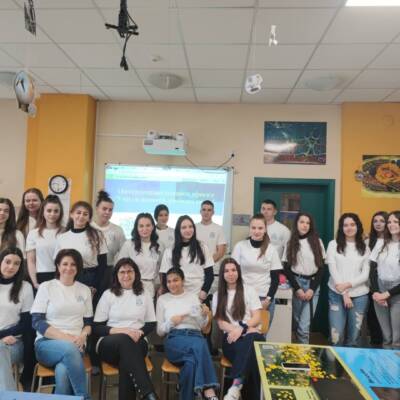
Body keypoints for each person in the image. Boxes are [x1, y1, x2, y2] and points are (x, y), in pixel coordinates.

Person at [31, 249, 93, 399]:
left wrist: (83, 335)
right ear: (58, 266)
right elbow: (37, 322)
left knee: (63, 371)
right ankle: (84, 397)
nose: (69, 268)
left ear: (78, 267)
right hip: (46, 344)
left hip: (77, 344)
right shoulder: (46, 287)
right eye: (65, 264)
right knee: (69, 349)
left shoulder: (84, 290)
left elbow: (88, 323)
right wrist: (68, 339)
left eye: (73, 264)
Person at [93, 258, 158, 400]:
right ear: (116, 275)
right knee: (125, 341)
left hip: (138, 341)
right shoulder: (108, 294)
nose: (126, 275)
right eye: (122, 272)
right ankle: (148, 393)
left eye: (130, 271)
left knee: (126, 361)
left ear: (136, 274)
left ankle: (149, 395)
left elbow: (151, 323)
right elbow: (97, 327)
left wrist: (139, 333)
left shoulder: (144, 294)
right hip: (110, 344)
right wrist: (124, 331)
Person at [156, 267, 219, 400]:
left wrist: (205, 315)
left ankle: (190, 391)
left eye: (175, 280)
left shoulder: (193, 298)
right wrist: (171, 322)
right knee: (200, 344)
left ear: (183, 281)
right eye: (169, 281)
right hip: (174, 339)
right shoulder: (162, 300)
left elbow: (201, 326)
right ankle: (209, 389)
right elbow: (159, 332)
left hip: (195, 334)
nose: (172, 284)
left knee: (190, 363)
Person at [213, 258, 264, 400]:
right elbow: (221, 323)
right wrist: (239, 330)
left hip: (251, 335)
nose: (230, 273)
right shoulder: (217, 295)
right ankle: (238, 387)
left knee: (253, 339)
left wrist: (242, 329)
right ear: (222, 274)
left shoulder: (249, 290)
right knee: (253, 358)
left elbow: (257, 317)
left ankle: (235, 386)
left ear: (238, 272)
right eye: (226, 271)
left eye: (233, 270)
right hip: (231, 338)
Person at [327, 213, 370, 347]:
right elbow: (333, 270)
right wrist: (345, 293)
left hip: (359, 295)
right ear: (341, 228)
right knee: (336, 336)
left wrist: (347, 285)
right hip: (336, 294)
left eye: (352, 224)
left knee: (354, 338)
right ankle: (333, 360)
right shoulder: (333, 245)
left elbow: (365, 275)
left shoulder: (365, 247)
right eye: (345, 225)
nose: (349, 228)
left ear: (358, 226)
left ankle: (349, 361)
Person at [283, 212, 325, 344]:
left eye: (308, 223)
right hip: (296, 285)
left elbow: (321, 268)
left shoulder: (317, 241)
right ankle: (296, 350)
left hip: (312, 286)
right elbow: (286, 268)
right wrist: (297, 289)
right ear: (296, 224)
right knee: (296, 323)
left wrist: (312, 289)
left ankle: (303, 355)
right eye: (302, 222)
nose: (305, 225)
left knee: (303, 327)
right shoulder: (290, 242)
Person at [231, 214, 282, 322]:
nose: (256, 231)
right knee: (241, 330)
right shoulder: (240, 246)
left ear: (265, 229)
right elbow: (233, 274)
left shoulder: (271, 250)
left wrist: (268, 300)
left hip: (264, 299)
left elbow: (275, 279)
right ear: (249, 229)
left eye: (260, 228)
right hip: (243, 296)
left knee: (260, 332)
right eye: (253, 228)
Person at [55, 201, 108, 304]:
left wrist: (96, 285)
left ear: (89, 218)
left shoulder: (97, 235)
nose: (81, 216)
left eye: (85, 214)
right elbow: (57, 264)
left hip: (89, 277)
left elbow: (103, 263)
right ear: (71, 214)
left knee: (86, 309)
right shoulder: (62, 237)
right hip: (67, 276)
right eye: (78, 213)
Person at [0, 247, 34, 391]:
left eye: (16, 263)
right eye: (7, 262)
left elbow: (27, 324)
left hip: (14, 342)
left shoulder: (25, 287)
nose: (11, 267)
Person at [159, 215, 214, 301]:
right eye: (184, 227)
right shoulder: (169, 251)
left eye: (190, 227)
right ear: (178, 230)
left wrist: (204, 292)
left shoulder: (203, 247)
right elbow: (165, 276)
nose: (188, 230)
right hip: (177, 295)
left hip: (199, 295)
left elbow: (209, 274)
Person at [370, 210, 400, 349]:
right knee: (386, 336)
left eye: (396, 222)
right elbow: (372, 269)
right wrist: (376, 292)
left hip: (397, 292)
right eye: (389, 222)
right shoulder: (381, 242)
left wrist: (387, 294)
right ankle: (386, 361)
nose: (391, 224)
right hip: (380, 289)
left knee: (397, 338)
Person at [116, 213, 163, 298]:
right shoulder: (129, 244)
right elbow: (119, 267)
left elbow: (161, 269)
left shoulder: (158, 246)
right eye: (141, 226)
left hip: (150, 287)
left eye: (148, 225)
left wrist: (160, 286)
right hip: (131, 286)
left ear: (153, 227)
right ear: (136, 228)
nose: (145, 229)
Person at [26, 195, 64, 289]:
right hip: (41, 276)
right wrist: (35, 282)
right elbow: (31, 261)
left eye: (56, 211)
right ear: (43, 212)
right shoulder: (33, 233)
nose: (52, 214)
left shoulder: (66, 232)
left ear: (60, 213)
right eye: (49, 210)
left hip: (62, 274)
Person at [92, 190, 126, 290]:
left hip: (109, 272)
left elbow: (124, 252)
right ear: (97, 208)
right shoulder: (88, 228)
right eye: (104, 209)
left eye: (110, 210)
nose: (107, 212)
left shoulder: (117, 230)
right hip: (90, 271)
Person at [366, 211, 387, 346]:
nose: (378, 224)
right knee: (372, 318)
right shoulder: (368, 241)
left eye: (382, 221)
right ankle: (376, 345)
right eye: (375, 221)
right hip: (371, 285)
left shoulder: (393, 241)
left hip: (388, 284)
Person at [195, 200, 227, 294]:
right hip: (196, 270)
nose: (206, 212)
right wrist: (199, 265)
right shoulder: (194, 228)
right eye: (204, 209)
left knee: (211, 299)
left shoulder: (218, 229)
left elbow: (220, 252)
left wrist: (206, 264)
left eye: (209, 210)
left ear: (213, 212)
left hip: (213, 271)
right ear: (200, 211)